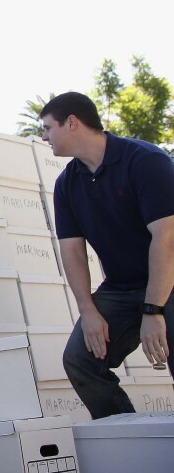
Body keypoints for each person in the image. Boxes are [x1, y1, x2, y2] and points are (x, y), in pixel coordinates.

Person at [40, 91, 174, 419]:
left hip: (169, 278)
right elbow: (71, 251)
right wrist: (88, 311)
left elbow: (167, 237)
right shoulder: (66, 184)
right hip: (121, 287)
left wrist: (153, 310)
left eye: (47, 128)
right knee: (80, 360)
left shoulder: (145, 160)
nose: (44, 136)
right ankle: (127, 446)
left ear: (72, 123)